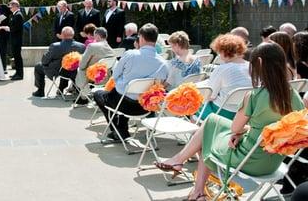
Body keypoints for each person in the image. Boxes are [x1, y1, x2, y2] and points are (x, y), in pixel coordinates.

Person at [155, 42, 304, 201]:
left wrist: (241, 132)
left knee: (210, 127)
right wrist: (245, 131)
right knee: (211, 126)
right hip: (273, 162)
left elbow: (235, 127)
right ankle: (195, 187)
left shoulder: (255, 96)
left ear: (259, 63)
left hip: (248, 160)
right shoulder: (294, 96)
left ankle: (189, 177)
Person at [93, 23, 169, 140]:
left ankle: (118, 131)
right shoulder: (163, 62)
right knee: (125, 91)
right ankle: (122, 130)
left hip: (124, 103)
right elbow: (161, 85)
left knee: (99, 94)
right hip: (146, 106)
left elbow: (115, 75)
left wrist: (124, 82)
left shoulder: (130, 54)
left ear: (141, 38)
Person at [197, 34, 251, 120]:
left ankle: (197, 132)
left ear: (224, 52)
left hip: (223, 112)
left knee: (195, 105)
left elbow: (210, 95)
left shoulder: (222, 69)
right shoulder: (252, 67)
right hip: (246, 114)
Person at [32, 26, 85, 97]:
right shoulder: (82, 46)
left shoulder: (55, 46)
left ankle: (40, 91)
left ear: (62, 35)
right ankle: (66, 88)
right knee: (65, 68)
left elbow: (44, 61)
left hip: (58, 71)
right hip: (74, 72)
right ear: (73, 35)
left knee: (38, 66)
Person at [74, 27, 114, 105]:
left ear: (98, 36)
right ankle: (85, 95)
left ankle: (84, 96)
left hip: (93, 76)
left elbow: (82, 65)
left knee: (80, 69)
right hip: (106, 76)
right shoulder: (110, 48)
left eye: (95, 36)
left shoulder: (92, 46)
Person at [8, 0, 24, 81]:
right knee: (16, 57)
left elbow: (16, 28)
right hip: (14, 40)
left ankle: (20, 74)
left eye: (11, 6)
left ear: (15, 6)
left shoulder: (18, 15)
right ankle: (17, 72)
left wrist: (8, 29)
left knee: (18, 57)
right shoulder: (14, 15)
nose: (10, 8)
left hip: (17, 40)